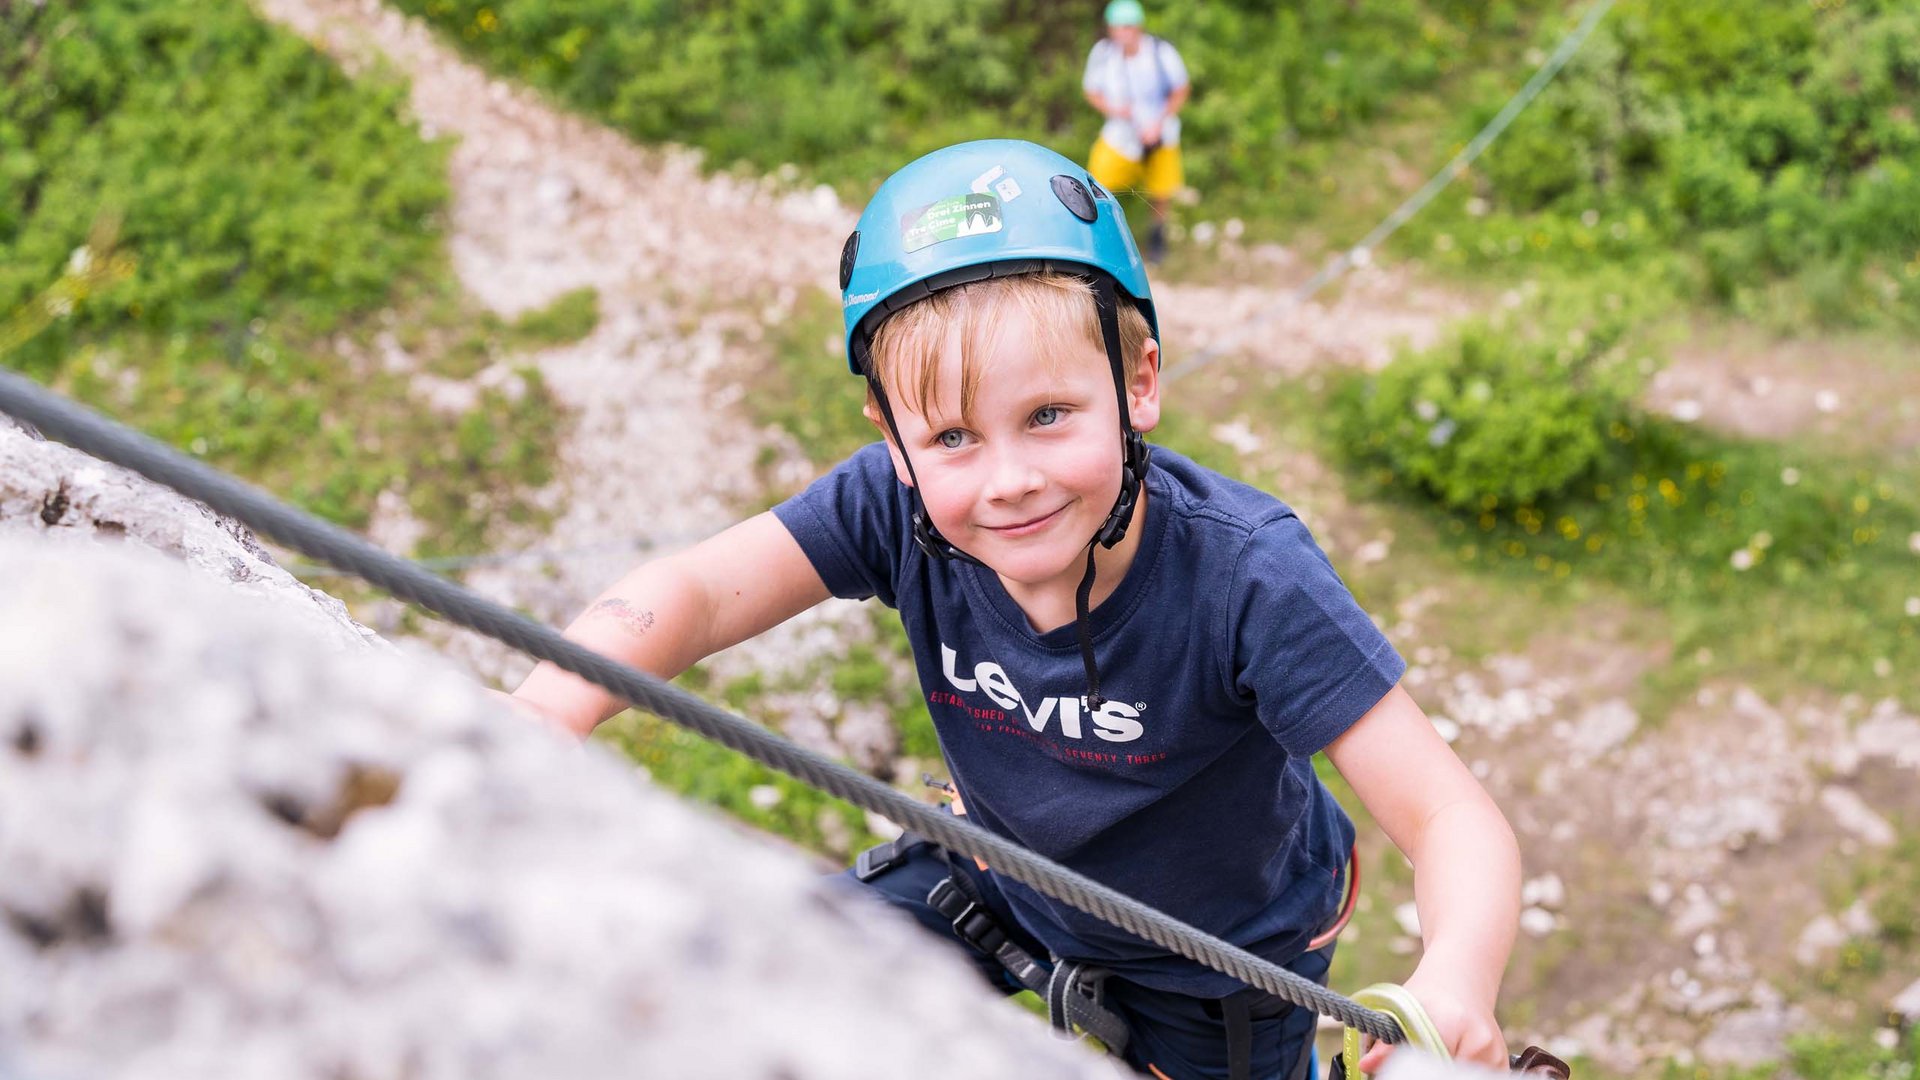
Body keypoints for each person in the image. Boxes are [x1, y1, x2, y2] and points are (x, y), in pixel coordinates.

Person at [505, 140, 1520, 1080]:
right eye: (951, 437)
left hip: (1215, 962)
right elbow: (693, 592)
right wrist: (552, 706)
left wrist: (1456, 980)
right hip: (1003, 878)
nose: (1009, 480)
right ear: (892, 438)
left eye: (1048, 416)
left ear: (1140, 383)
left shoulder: (1248, 578)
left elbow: (1449, 818)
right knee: (788, 984)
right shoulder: (891, 509)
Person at [1082, 0, 1190, 264]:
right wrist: (1115, 110)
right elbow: (1091, 91)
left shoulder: (1160, 52)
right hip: (1120, 136)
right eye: (1117, 27)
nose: (1122, 33)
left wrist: (1159, 122)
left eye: (1127, 27)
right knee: (1097, 183)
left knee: (1161, 190)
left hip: (1160, 135)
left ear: (1138, 26)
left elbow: (1180, 89)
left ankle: (1157, 238)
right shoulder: (1104, 54)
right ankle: (1102, 239)